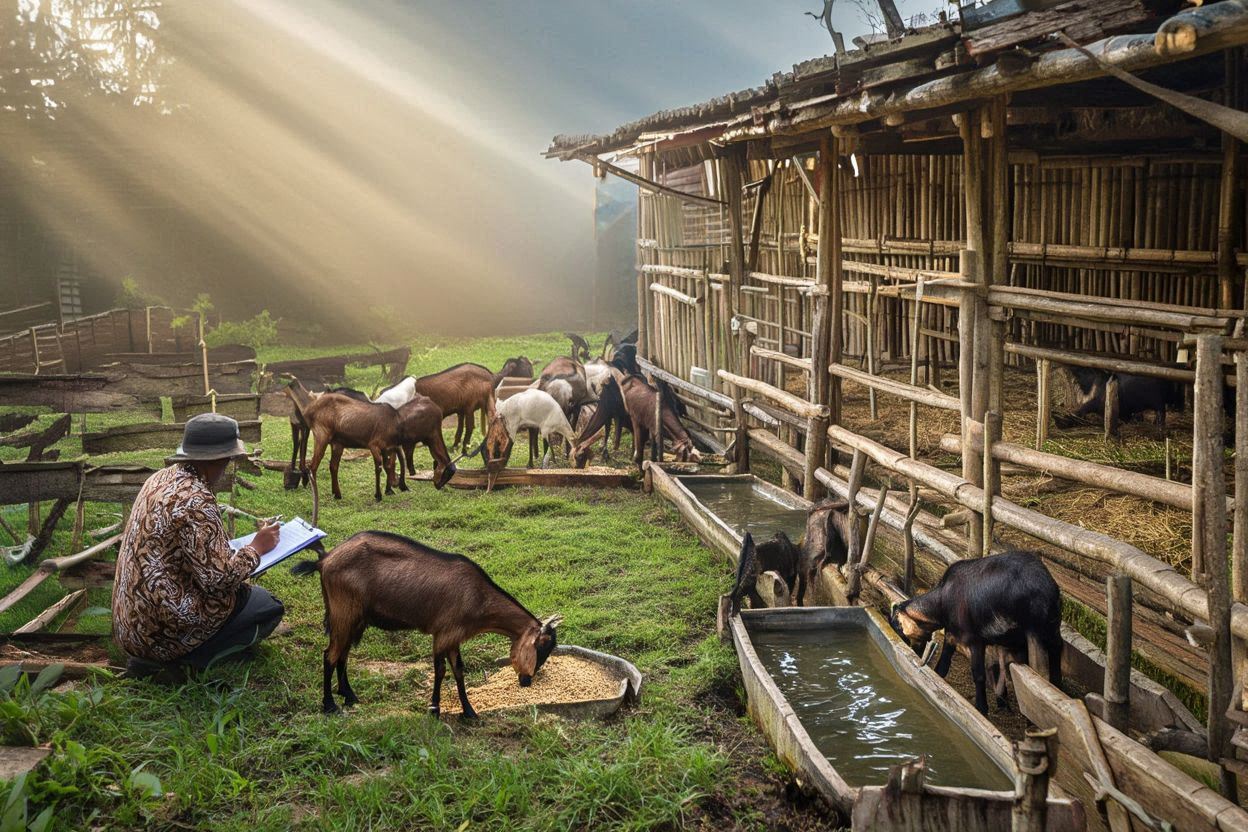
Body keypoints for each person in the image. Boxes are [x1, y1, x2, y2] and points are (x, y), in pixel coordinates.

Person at [111, 413, 285, 678]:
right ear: (217, 459)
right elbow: (219, 580)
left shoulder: (158, 479)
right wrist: (256, 548)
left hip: (132, 626)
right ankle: (183, 662)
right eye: (228, 460)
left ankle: (160, 658)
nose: (227, 466)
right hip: (162, 634)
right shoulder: (197, 499)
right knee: (267, 606)